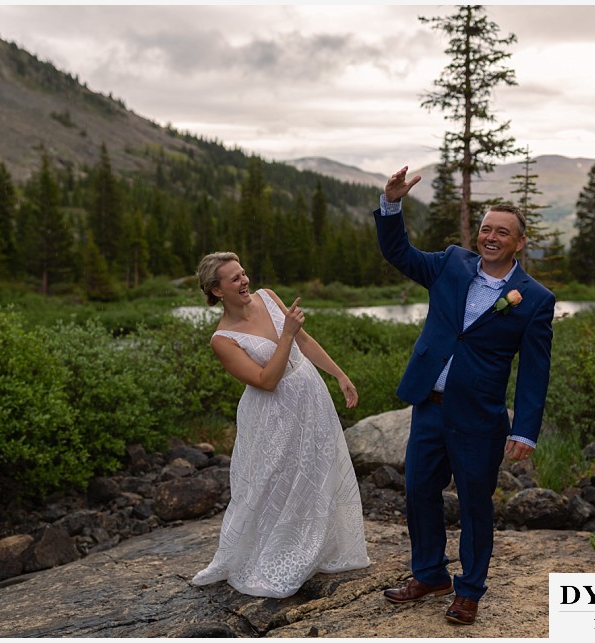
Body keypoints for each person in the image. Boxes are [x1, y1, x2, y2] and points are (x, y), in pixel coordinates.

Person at [375, 167, 555, 625]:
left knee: (475, 504)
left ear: (519, 243)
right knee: (418, 492)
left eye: (503, 232)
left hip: (479, 417)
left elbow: (535, 372)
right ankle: (430, 574)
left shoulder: (533, 299)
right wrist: (391, 204)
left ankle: (470, 590)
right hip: (428, 407)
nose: (491, 237)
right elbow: (399, 252)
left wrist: (526, 432)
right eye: (486, 228)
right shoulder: (451, 263)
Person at [190, 252, 370, 598]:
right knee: (271, 481)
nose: (244, 282)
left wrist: (340, 375)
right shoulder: (223, 339)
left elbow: (304, 341)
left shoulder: (268, 296)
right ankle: (271, 554)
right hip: (271, 414)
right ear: (216, 291)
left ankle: (317, 546)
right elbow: (266, 379)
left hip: (309, 396)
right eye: (234, 279)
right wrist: (286, 333)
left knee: (318, 469)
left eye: (243, 274)